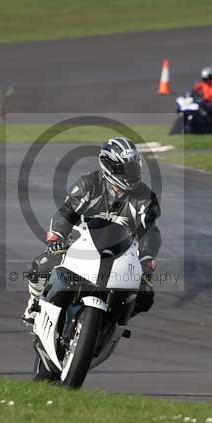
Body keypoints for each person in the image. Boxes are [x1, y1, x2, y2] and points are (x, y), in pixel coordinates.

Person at [22, 137, 161, 324]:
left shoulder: (145, 196)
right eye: (124, 170)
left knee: (145, 295)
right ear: (109, 167)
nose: (130, 175)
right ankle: (35, 303)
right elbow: (66, 213)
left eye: (134, 168)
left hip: (122, 253)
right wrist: (56, 238)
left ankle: (114, 322)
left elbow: (150, 230)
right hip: (81, 244)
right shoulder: (89, 184)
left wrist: (147, 259)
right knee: (42, 264)